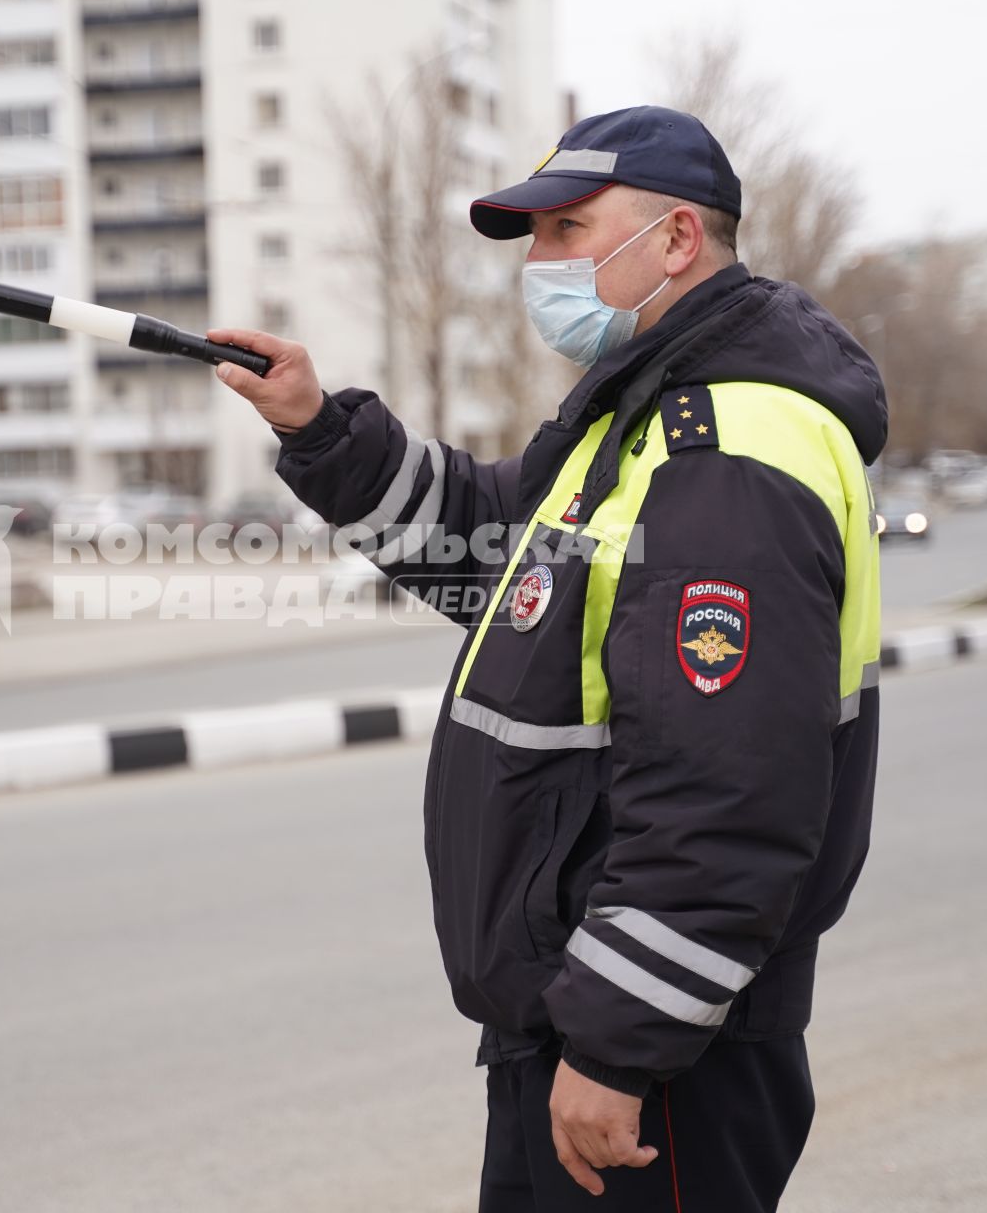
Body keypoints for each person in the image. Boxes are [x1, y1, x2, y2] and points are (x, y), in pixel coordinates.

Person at [209, 106, 886, 1210]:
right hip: (586, 1012)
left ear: (676, 241)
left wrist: (621, 1045)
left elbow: (729, 786)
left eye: (570, 229)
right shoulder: (642, 419)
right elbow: (494, 546)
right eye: (535, 237)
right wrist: (320, 427)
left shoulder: (728, 454)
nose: (542, 264)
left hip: (662, 1053)